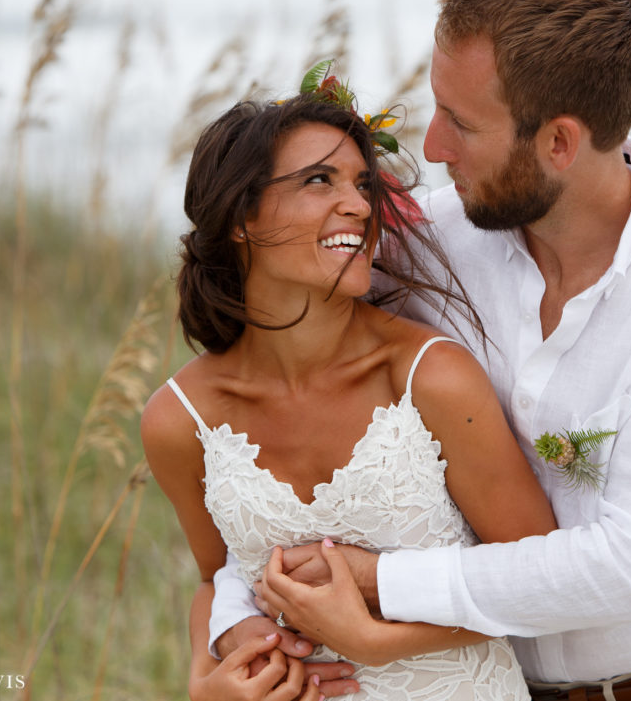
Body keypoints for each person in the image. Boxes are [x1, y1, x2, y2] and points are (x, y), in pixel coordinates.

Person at [214, 0, 631, 700]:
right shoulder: (422, 248)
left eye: (460, 124)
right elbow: (280, 408)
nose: (431, 148)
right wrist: (228, 634)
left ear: (558, 142)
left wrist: (382, 585)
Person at [141, 92, 559, 700]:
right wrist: (211, 678)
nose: (358, 205)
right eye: (319, 180)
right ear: (240, 216)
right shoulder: (180, 420)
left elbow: (541, 581)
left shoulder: (430, 379)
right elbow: (216, 580)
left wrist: (375, 639)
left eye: (363, 184)